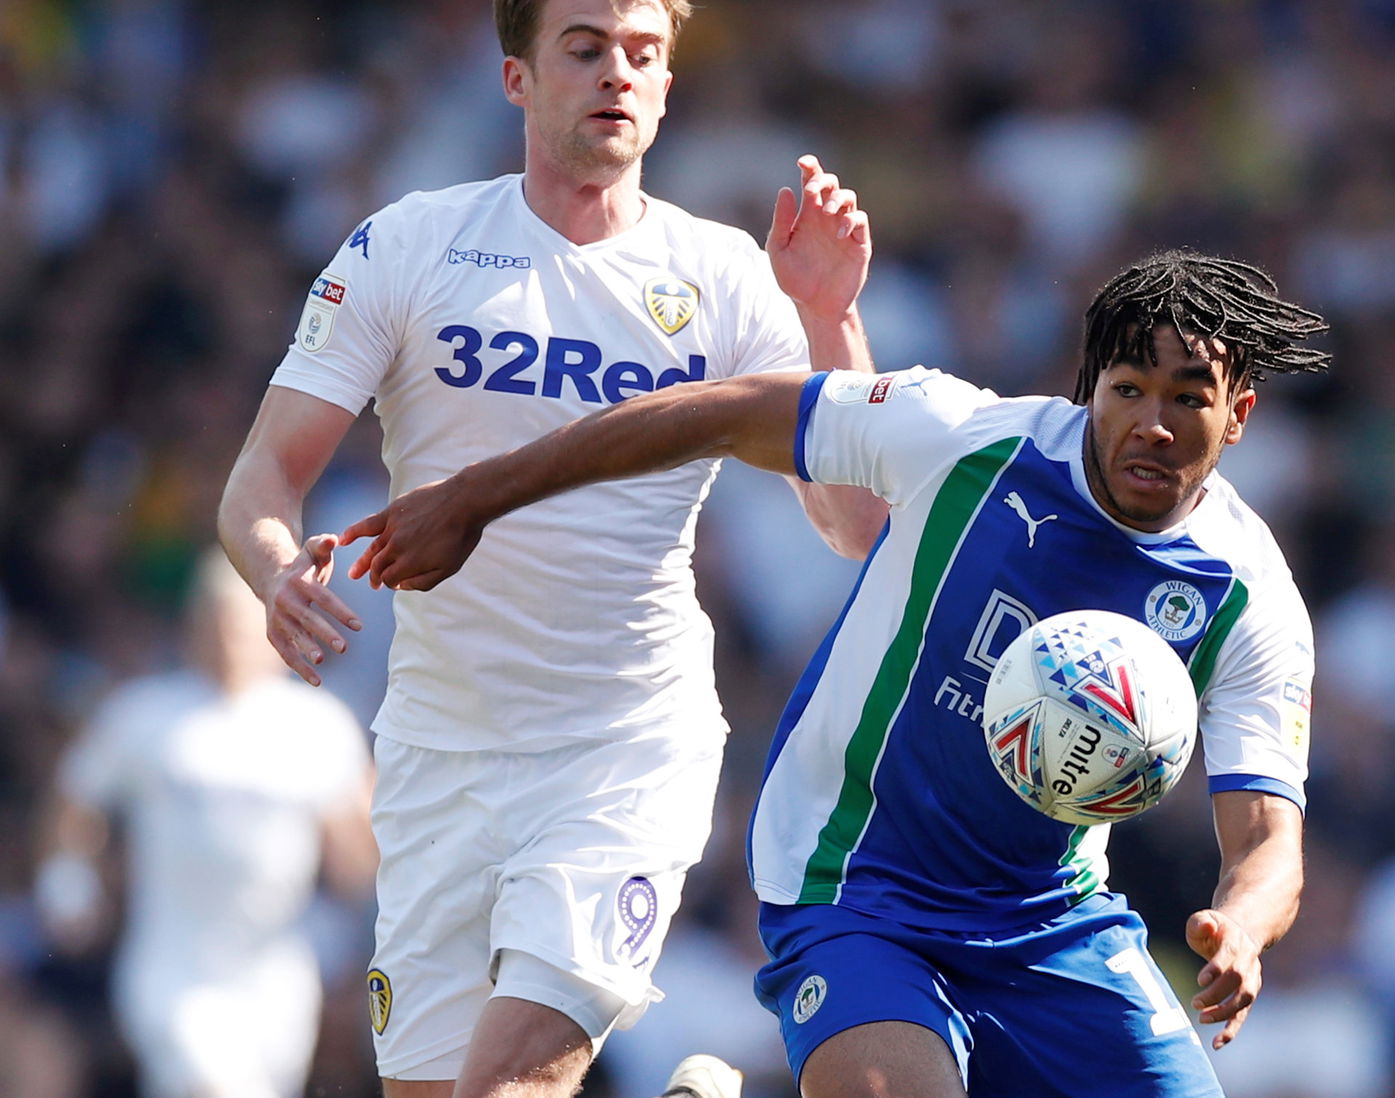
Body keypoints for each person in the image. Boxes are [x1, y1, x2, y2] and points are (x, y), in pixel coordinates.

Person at [340, 249, 1332, 1097]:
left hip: (1052, 923)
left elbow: (1267, 837)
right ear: (1092, 389)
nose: (1151, 424)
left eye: (1187, 399)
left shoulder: (1247, 598)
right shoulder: (967, 442)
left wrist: (1240, 928)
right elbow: (719, 413)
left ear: (1236, 414)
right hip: (858, 884)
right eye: (1128, 391)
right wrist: (478, 493)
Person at [216, 0, 883, 1098]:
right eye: (584, 46)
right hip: (436, 747)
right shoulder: (410, 246)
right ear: (517, 76)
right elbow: (264, 477)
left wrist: (829, 322)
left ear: (668, 87)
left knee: (510, 1085)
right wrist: (274, 570)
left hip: (621, 747)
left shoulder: (724, 276)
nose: (616, 70)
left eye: (640, 50)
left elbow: (852, 526)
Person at [35, 548, 376, 1098]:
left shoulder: (318, 727)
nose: (225, 640)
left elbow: (358, 867)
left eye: (238, 624)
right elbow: (76, 800)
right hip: (171, 966)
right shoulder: (143, 714)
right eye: (211, 622)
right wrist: (67, 877)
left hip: (277, 977)